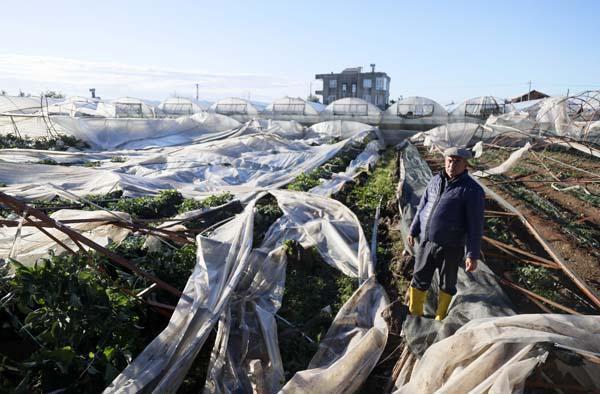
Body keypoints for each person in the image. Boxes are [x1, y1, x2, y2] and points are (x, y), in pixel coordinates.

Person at [407, 146, 485, 320]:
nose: (452, 165)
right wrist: (413, 229)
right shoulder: (435, 181)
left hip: (451, 246)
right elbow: (422, 206)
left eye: (457, 162)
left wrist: (472, 254)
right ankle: (415, 313)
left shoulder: (472, 191)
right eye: (449, 160)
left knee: (447, 282)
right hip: (427, 242)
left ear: (466, 165)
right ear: (445, 161)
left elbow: (475, 225)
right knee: (419, 277)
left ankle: (440, 316)